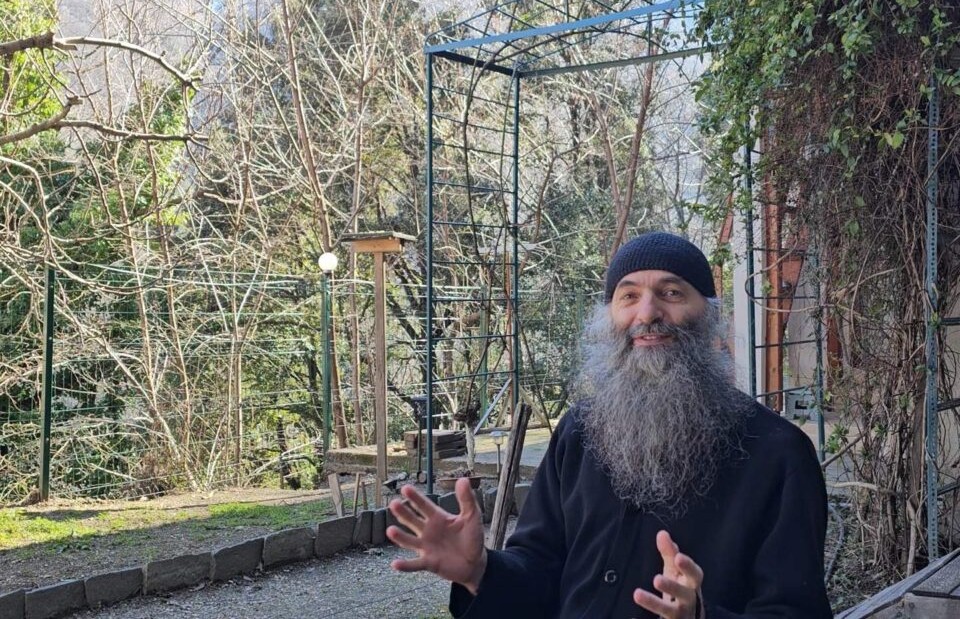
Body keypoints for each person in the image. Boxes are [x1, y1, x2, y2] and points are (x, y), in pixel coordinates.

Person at [387, 231, 832, 618]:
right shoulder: (577, 432)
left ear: (709, 315)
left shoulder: (778, 454)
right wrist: (482, 571)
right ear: (609, 317)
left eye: (672, 293)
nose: (647, 313)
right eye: (629, 296)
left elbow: (797, 610)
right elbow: (540, 570)